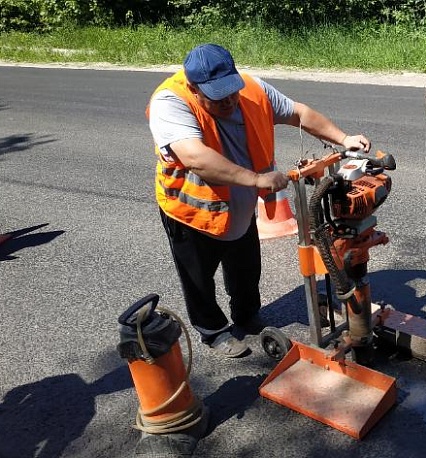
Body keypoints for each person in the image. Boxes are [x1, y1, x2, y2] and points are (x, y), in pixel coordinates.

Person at [146, 43, 370, 358]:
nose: (228, 100)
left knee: (246, 268)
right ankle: (213, 331)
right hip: (192, 212)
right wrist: (257, 180)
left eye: (231, 91)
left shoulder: (252, 88)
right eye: (216, 96)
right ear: (194, 89)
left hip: (240, 206)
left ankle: (247, 315)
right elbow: (194, 157)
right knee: (198, 279)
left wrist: (343, 138)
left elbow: (298, 113)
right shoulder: (170, 101)